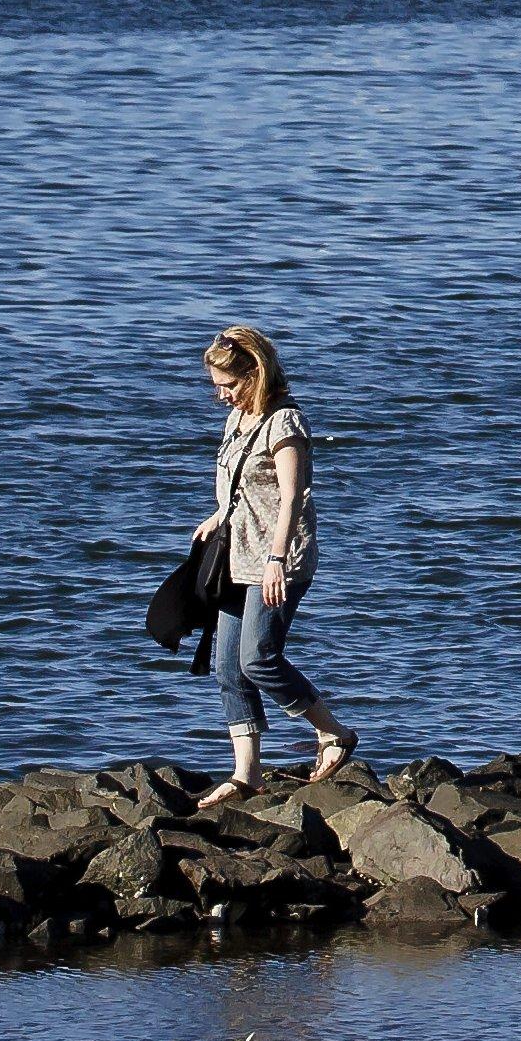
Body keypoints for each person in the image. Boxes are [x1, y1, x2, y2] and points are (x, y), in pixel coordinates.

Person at [192, 323, 353, 806]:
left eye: (228, 385)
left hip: (278, 559)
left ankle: (334, 733)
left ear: (255, 373)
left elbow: (292, 498)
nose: (221, 395)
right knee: (227, 669)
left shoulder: (284, 424)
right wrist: (220, 513)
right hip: (236, 558)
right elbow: (242, 483)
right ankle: (247, 774)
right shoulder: (236, 420)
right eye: (216, 386)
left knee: (258, 658)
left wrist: (277, 559)